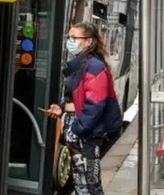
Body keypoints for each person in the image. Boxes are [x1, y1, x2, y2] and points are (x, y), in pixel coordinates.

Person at [47, 22, 123, 195]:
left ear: (88, 42)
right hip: (82, 135)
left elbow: (94, 105)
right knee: (82, 182)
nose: (70, 41)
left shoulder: (94, 67)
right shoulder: (82, 65)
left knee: (89, 184)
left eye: (74, 38)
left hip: (88, 136)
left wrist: (76, 129)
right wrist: (61, 108)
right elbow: (79, 100)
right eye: (69, 37)